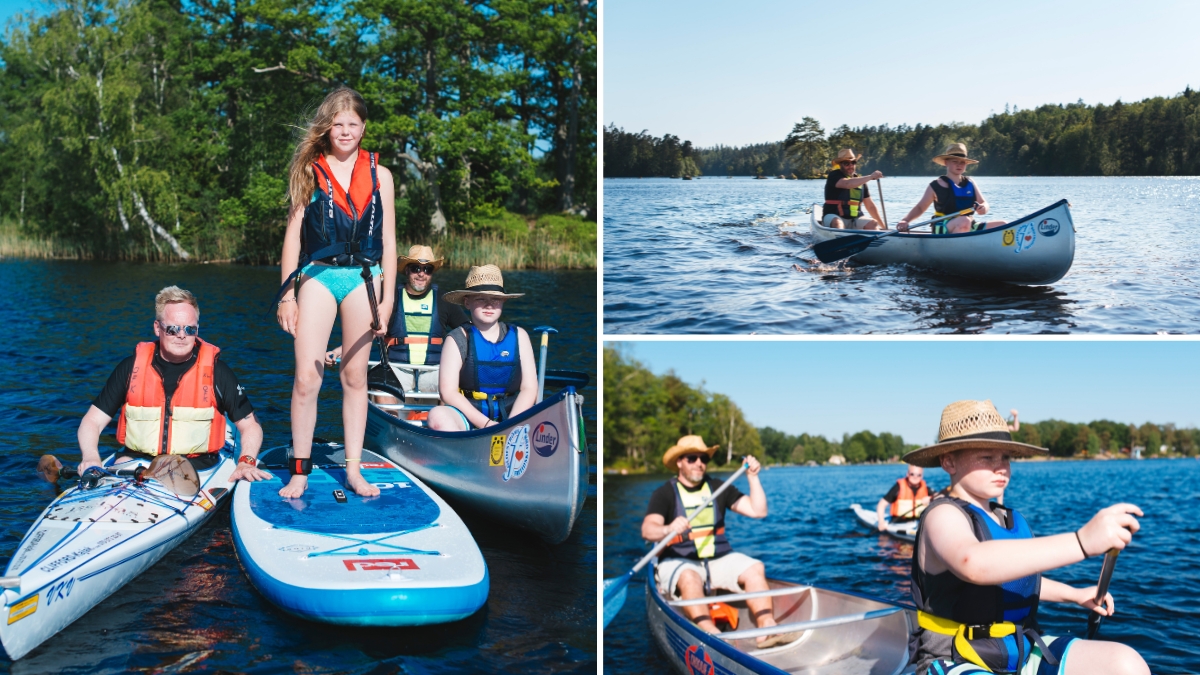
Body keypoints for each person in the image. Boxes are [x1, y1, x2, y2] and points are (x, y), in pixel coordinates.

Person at [904, 400, 1148, 675]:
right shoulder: (942, 515)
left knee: (1126, 664)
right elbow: (974, 563)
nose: (1000, 467)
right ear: (949, 461)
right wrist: (1082, 542)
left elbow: (1017, 581)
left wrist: (1076, 595)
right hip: (953, 658)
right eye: (987, 458)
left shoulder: (1005, 517)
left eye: (1005, 458)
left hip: (1016, 650)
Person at [275, 87, 397, 498]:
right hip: (319, 276)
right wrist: (287, 295)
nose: (345, 131)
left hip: (365, 277)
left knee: (354, 375)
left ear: (363, 128)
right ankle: (300, 472)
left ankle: (354, 470)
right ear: (327, 128)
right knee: (308, 376)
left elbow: (391, 243)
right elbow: (293, 239)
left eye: (352, 124)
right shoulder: (311, 171)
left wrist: (389, 298)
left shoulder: (382, 176)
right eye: (337, 124)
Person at [77, 286, 271, 483]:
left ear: (197, 330)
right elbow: (92, 421)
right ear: (157, 328)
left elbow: (250, 426)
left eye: (189, 329)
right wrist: (91, 457)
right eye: (172, 329)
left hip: (196, 471)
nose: (181, 335)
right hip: (135, 466)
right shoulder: (130, 368)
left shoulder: (217, 372)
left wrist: (246, 461)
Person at [641, 435, 800, 649]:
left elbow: (758, 510)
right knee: (689, 577)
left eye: (703, 459)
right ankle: (711, 633)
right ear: (679, 462)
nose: (699, 463)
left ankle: (766, 627)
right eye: (692, 458)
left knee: (755, 568)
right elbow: (648, 530)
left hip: (718, 559)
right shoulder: (664, 493)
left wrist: (752, 477)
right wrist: (668, 528)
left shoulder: (717, 487)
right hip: (680, 560)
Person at [325, 245, 470, 395]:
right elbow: (371, 332)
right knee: (381, 387)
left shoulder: (443, 300)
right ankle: (392, 417)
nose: (421, 274)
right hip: (397, 369)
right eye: (416, 268)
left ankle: (443, 417)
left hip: (434, 370)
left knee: (453, 386)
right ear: (407, 270)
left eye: (427, 269)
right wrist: (338, 352)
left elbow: (468, 333)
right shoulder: (391, 299)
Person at [426, 265, 537, 430]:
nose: (489, 305)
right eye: (481, 299)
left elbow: (529, 388)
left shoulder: (520, 336)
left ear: (503, 301)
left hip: (512, 416)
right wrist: (486, 425)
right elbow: (448, 392)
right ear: (467, 302)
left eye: (495, 299)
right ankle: (458, 452)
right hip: (467, 416)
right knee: (437, 416)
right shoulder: (457, 339)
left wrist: (510, 426)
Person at [897, 144, 1006, 235]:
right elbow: (920, 208)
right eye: (955, 161)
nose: (959, 165)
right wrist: (905, 220)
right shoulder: (936, 185)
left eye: (962, 162)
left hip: (968, 224)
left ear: (966, 165)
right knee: (964, 221)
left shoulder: (970, 183)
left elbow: (983, 203)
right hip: (943, 227)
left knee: (1003, 225)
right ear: (946, 163)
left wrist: (983, 208)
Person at [823, 148, 887, 230]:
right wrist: (870, 177)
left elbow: (870, 206)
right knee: (837, 223)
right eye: (846, 163)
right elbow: (847, 183)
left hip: (855, 219)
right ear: (840, 165)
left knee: (873, 224)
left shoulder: (861, 181)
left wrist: (884, 227)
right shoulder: (834, 175)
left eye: (853, 162)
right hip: (833, 216)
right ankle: (841, 240)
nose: (850, 166)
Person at [875, 463, 931, 532]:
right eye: (912, 474)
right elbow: (881, 504)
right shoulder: (898, 487)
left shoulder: (926, 488)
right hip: (898, 524)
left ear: (922, 476)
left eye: (918, 475)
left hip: (918, 523)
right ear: (907, 474)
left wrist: (931, 499)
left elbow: (940, 497)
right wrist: (881, 522)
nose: (915, 477)